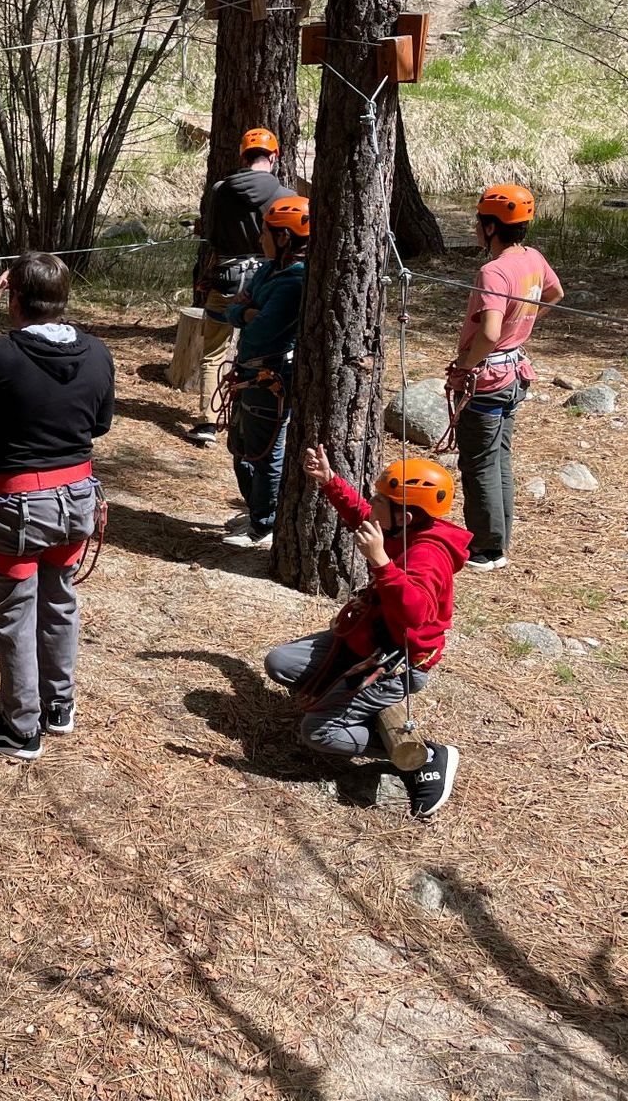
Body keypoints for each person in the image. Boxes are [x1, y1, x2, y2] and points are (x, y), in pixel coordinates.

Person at [0, 252, 114, 760]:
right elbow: (99, 427)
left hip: (16, 502)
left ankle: (19, 728)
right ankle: (59, 706)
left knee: (15, 612)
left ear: (13, 299)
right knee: (60, 599)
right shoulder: (97, 353)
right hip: (78, 498)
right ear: (63, 300)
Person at [264, 445, 468, 819]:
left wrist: (381, 562)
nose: (372, 504)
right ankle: (353, 705)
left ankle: (425, 754)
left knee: (319, 734)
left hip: (394, 662)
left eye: (381, 500)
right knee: (280, 663)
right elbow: (362, 516)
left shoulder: (429, 554)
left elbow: (415, 614)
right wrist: (329, 482)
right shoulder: (403, 526)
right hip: (363, 642)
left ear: (405, 516)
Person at [450, 184, 563, 571]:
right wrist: (524, 323)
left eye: (479, 222)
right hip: (514, 373)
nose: (476, 228)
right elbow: (554, 293)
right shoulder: (532, 258)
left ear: (492, 227)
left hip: (488, 378)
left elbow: (490, 332)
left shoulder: (493, 271)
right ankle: (497, 541)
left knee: (479, 462)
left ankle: (485, 548)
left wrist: (465, 366)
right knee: (498, 458)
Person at [188, 127, 293, 447]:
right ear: (273, 157)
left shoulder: (220, 190)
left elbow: (213, 236)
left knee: (215, 350)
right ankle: (250, 415)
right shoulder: (287, 197)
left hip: (227, 276)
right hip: (267, 282)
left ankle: (207, 423)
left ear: (242, 157)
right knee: (260, 349)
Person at [221, 194, 309, 549]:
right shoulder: (271, 270)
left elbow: (258, 329)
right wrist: (245, 311)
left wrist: (246, 312)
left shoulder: (293, 282)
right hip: (250, 373)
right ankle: (258, 510)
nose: (260, 239)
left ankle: (263, 522)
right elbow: (236, 310)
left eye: (267, 233)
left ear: (285, 237)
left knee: (263, 453)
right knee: (241, 447)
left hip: (268, 376)